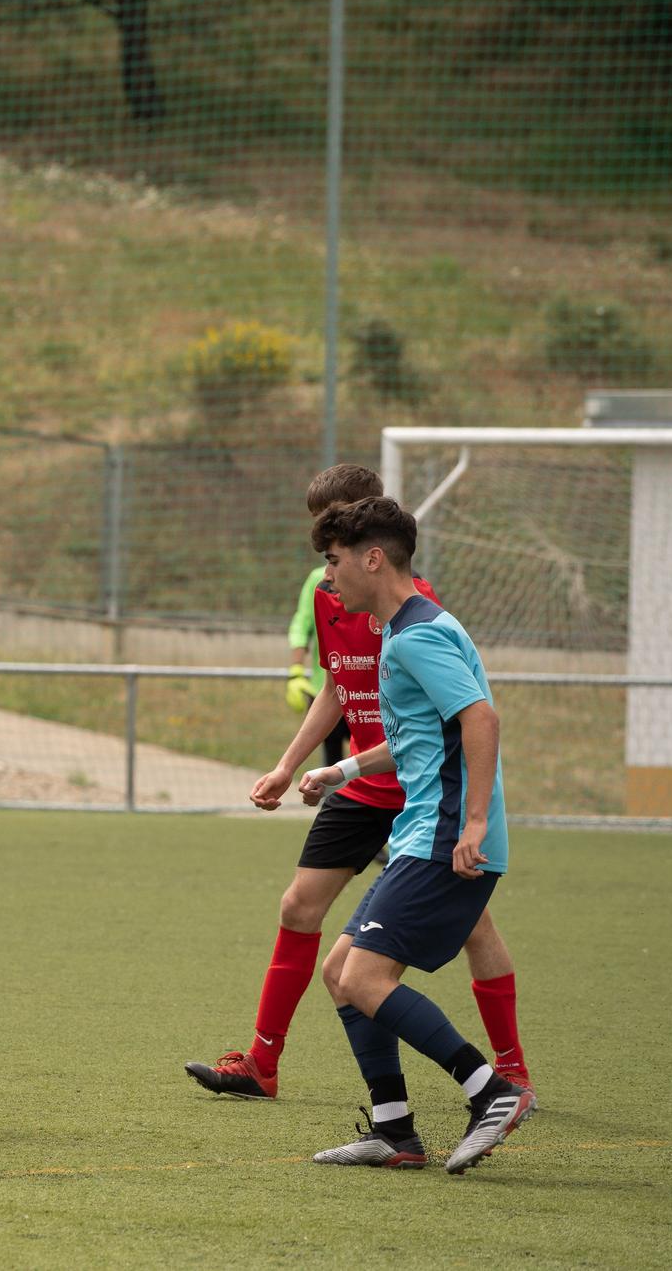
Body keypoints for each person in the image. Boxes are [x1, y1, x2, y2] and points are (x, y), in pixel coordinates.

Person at [185, 466, 532, 1106]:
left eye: (337, 536)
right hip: (368, 782)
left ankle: (507, 1073)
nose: (326, 550)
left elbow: (472, 715)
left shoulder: (408, 607)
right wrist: (294, 764)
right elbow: (340, 685)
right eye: (321, 539)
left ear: (370, 536)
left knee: (465, 929)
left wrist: (474, 819)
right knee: (303, 912)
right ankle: (266, 1065)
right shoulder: (331, 593)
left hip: (426, 792)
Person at [297, 496, 534, 1174]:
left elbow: (480, 719)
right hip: (421, 833)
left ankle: (490, 1090)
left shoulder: (418, 634)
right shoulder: (404, 632)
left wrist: (477, 822)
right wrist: (341, 768)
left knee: (366, 976)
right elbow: (418, 740)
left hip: (444, 837)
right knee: (341, 974)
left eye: (334, 561)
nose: (329, 577)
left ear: (373, 557)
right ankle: (396, 1130)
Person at [288, 562, 348, 767]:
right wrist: (296, 671)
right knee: (330, 763)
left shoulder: (371, 578)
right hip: (325, 688)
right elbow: (302, 623)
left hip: (365, 695)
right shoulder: (318, 578)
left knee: (370, 762)